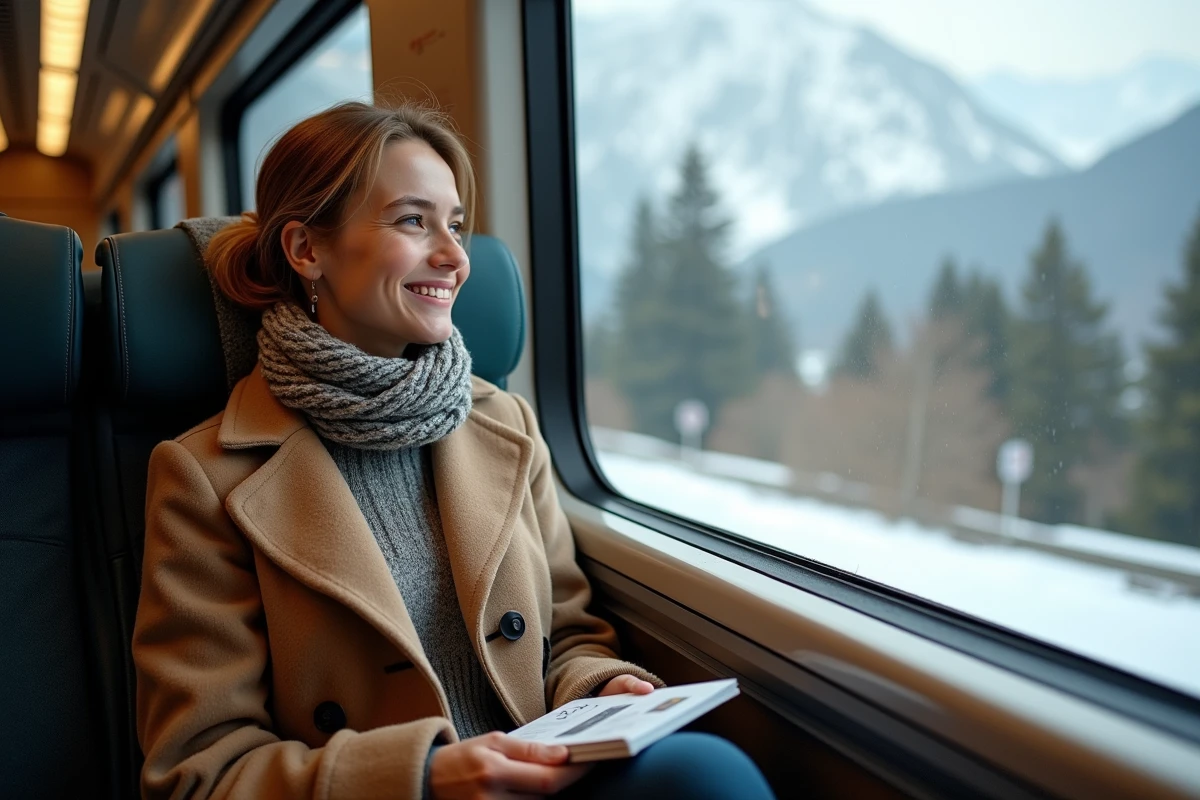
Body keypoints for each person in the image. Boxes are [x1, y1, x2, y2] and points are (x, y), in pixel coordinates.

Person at [133, 101, 775, 800]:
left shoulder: (504, 422)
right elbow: (202, 772)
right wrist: (423, 778)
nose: (456, 257)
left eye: (457, 225)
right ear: (306, 250)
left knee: (712, 773)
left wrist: (600, 685)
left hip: (540, 777)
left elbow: (566, 634)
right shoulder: (204, 477)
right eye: (414, 221)